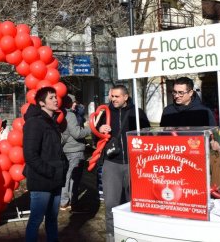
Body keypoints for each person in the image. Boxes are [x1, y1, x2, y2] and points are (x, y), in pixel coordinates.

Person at [97, 85, 151, 241]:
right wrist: (100, 130)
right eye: (112, 96)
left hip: (133, 162)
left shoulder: (137, 113)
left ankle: (132, 235)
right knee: (111, 203)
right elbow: (96, 140)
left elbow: (148, 136)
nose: (113, 99)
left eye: (116, 96)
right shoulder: (105, 113)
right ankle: (111, 235)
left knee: (133, 202)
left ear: (125, 97)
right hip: (112, 163)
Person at [23, 86, 68, 242]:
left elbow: (53, 150)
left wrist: (62, 166)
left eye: (56, 97)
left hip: (55, 178)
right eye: (51, 98)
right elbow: (30, 155)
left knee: (52, 219)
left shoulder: (52, 122)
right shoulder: (34, 123)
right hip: (41, 180)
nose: (56, 100)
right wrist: (50, 171)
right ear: (41, 103)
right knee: (36, 220)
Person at [59, 94, 92, 211]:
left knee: (66, 176)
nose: (75, 104)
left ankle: (63, 202)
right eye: (73, 102)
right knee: (74, 177)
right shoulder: (70, 115)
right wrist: (91, 128)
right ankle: (73, 202)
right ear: (68, 103)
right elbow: (77, 133)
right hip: (75, 149)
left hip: (66, 149)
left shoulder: (60, 114)